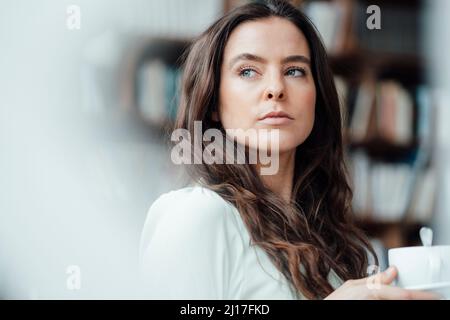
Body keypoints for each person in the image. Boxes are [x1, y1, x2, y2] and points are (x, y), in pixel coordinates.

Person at [139, 0, 438, 300]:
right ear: (214, 102)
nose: (276, 88)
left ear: (316, 97)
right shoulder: (197, 214)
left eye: (294, 71)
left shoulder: (327, 235)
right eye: (247, 71)